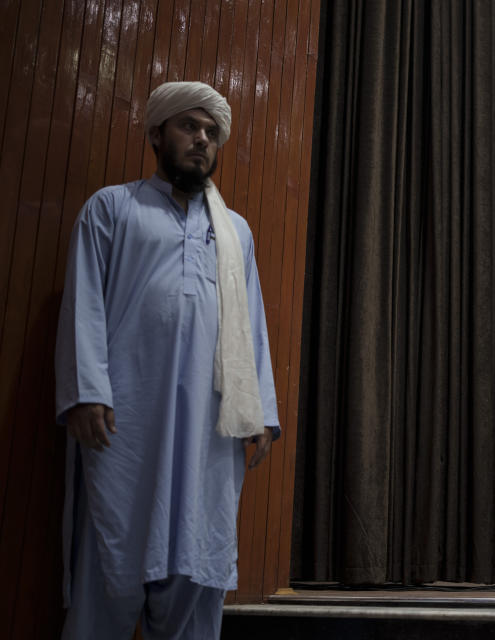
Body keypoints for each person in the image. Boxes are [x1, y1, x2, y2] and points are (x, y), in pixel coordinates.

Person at [55, 81, 280, 639]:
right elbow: (84, 303)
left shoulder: (235, 232)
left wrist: (262, 413)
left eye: (211, 132)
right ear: (157, 134)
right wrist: (87, 389)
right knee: (114, 557)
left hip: (210, 428)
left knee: (196, 564)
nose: (201, 139)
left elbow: (251, 324)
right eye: (188, 127)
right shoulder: (112, 207)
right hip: (125, 421)